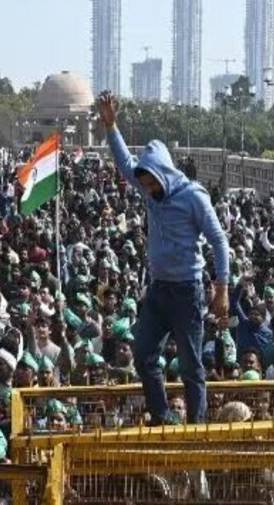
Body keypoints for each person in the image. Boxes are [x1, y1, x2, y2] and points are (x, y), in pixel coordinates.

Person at [96, 91, 230, 425]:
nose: (148, 190)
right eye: (144, 184)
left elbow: (218, 240)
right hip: (158, 290)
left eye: (152, 183)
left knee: (190, 365)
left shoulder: (193, 197)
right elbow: (125, 163)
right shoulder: (147, 188)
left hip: (187, 291)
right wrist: (111, 125)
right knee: (143, 355)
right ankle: (163, 415)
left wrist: (222, 286)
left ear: (163, 174)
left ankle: (196, 426)